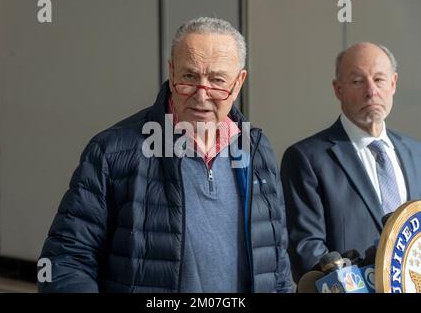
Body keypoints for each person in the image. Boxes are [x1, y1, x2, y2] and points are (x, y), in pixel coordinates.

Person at [38, 17, 294, 293]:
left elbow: (277, 264)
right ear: (172, 72)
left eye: (217, 80)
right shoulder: (112, 151)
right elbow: (66, 260)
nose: (201, 94)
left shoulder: (256, 150)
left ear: (239, 82)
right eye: (189, 76)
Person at [280, 42, 421, 280]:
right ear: (338, 89)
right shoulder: (306, 159)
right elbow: (307, 252)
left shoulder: (416, 153)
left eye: (379, 79)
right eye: (357, 81)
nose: (371, 91)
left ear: (393, 83)